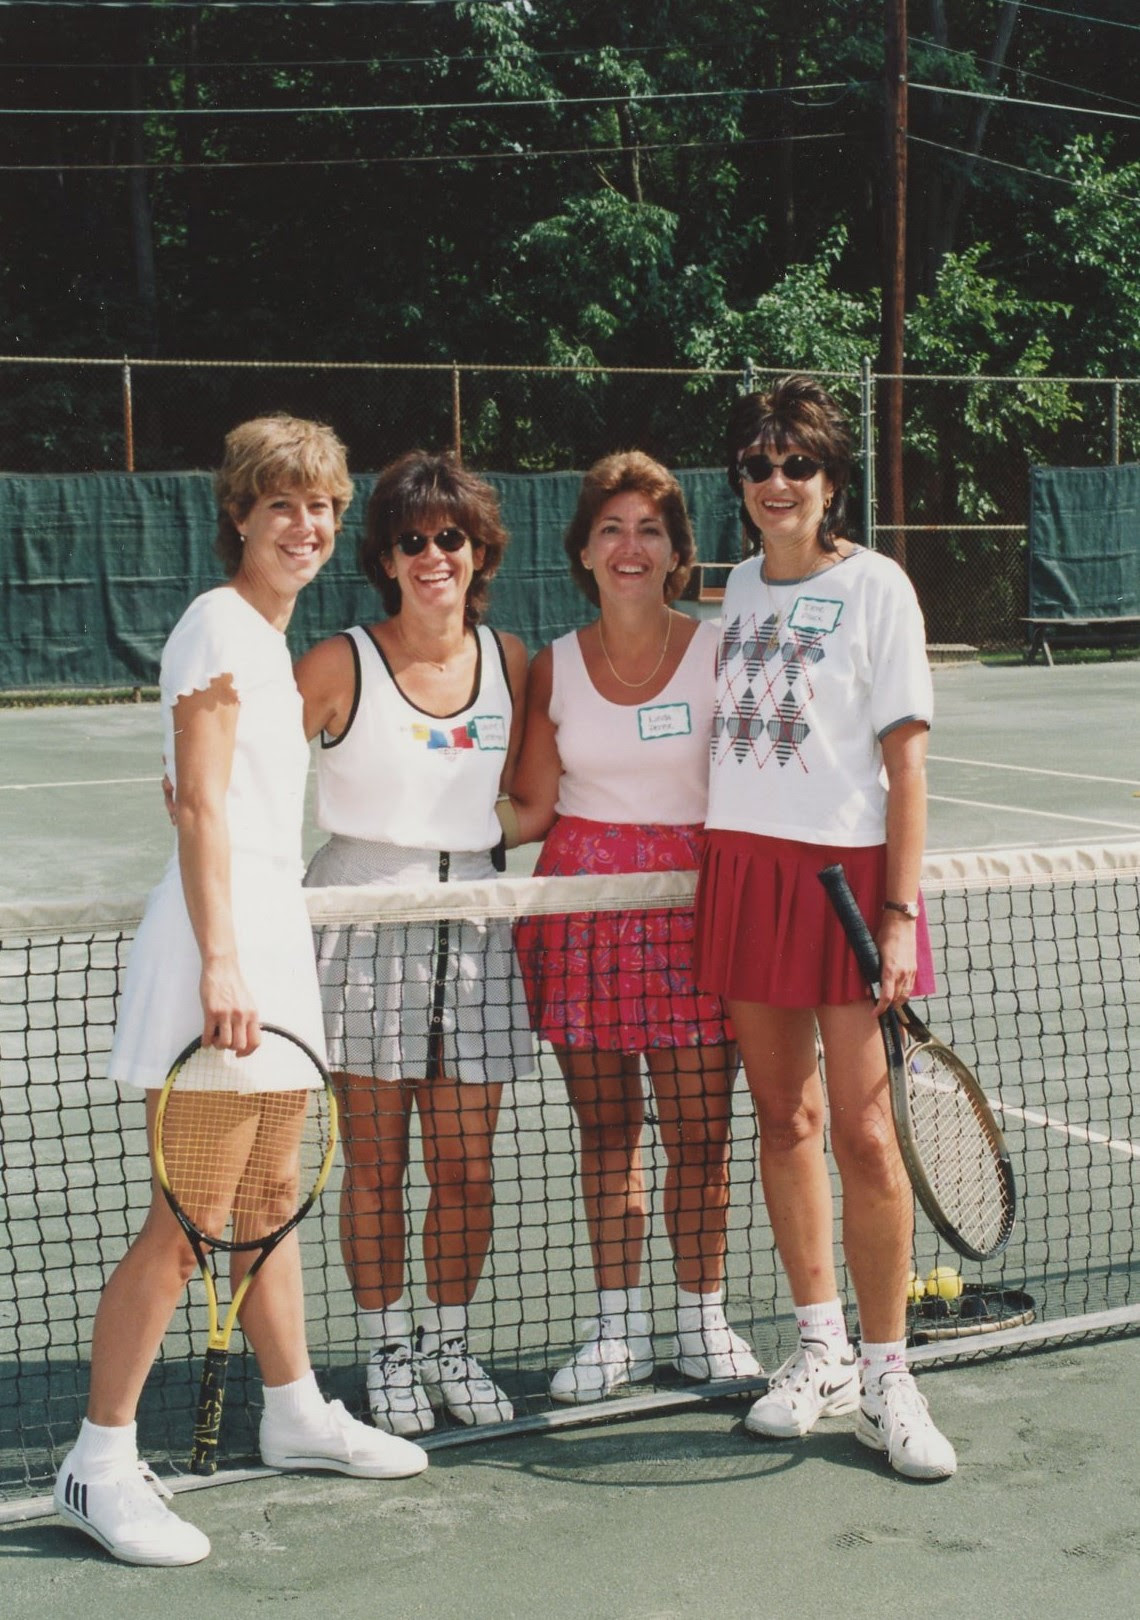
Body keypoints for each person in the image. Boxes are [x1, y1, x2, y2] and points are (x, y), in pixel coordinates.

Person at [53, 416, 428, 1569]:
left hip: (269, 938)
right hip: (223, 955)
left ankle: (295, 1409)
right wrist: (222, 961)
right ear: (241, 516)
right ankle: (99, 1463)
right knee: (188, 1222)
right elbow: (204, 807)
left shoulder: (268, 639)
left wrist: (250, 948)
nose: (305, 527)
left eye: (320, 507)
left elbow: (213, 798)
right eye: (282, 506)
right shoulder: (218, 623)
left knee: (269, 1197)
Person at [693, 375, 955, 1480]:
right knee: (783, 1120)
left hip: (850, 888)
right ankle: (821, 1351)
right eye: (757, 465)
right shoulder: (735, 592)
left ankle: (891, 1372)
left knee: (863, 1134)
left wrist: (898, 916)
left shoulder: (880, 589)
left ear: (832, 479)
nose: (776, 482)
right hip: (745, 867)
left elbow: (907, 767)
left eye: (796, 463)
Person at [505, 451, 761, 1404]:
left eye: (650, 530)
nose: (629, 545)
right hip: (582, 918)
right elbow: (529, 807)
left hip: (701, 917)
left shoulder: (720, 648)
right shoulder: (553, 666)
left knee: (703, 1133)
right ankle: (617, 1330)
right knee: (607, 1134)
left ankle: (702, 1320)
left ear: (677, 554)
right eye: (611, 528)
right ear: (583, 549)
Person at [296, 450, 532, 1438]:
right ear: (386, 557)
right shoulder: (338, 661)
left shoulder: (516, 662)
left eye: (452, 538)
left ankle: (449, 1342)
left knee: (468, 1166)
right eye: (412, 539)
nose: (434, 555)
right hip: (361, 917)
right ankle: (388, 1350)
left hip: (475, 919)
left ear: (481, 552)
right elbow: (251, 782)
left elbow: (539, 798)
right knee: (377, 1164)